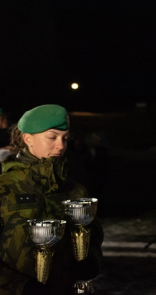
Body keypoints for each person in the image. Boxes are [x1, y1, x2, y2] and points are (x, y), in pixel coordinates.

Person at [0, 105, 103, 295]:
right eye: (52, 137)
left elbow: (93, 235)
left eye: (65, 138)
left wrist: (92, 261)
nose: (61, 145)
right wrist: (20, 286)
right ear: (28, 138)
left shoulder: (75, 190)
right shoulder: (5, 186)